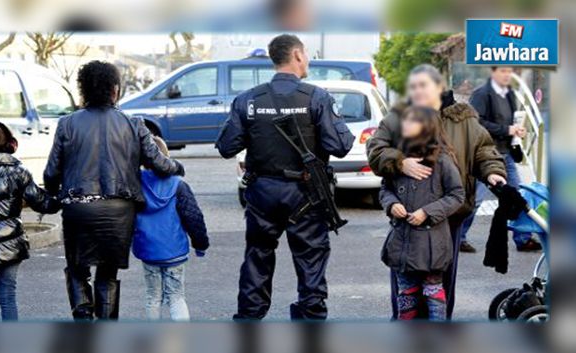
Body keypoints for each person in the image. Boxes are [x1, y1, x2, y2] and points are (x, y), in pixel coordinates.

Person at [216, 34, 355, 320]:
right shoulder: (316, 97)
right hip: (306, 194)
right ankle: (311, 320)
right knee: (311, 261)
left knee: (257, 257)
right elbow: (341, 146)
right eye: (306, 55)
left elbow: (226, 146)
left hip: (262, 192)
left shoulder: (249, 99)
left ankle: (249, 320)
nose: (308, 61)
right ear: (297, 55)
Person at [43, 60, 185, 321]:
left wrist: (52, 193)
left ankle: (84, 320)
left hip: (78, 207)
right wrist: (177, 166)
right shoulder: (134, 124)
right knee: (108, 273)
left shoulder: (67, 124)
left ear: (83, 90)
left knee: (77, 269)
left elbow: (51, 173)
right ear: (115, 90)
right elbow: (159, 163)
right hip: (119, 211)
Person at [367, 64, 507, 320]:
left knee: (439, 289)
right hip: (405, 221)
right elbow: (375, 150)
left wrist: (493, 172)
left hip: (447, 218)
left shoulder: (464, 119)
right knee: (405, 288)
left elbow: (484, 151)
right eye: (415, 86)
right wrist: (400, 161)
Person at [379, 107, 465, 321]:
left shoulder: (443, 161)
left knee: (434, 294)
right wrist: (391, 205)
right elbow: (385, 189)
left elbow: (457, 195)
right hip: (402, 242)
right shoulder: (398, 159)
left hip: (432, 244)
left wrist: (427, 212)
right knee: (405, 293)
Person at [0, 121, 60, 321]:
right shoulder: (18, 170)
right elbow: (41, 203)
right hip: (12, 243)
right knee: (8, 296)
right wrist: (60, 199)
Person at [460, 67, 541, 253]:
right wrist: (506, 130)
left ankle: (523, 238)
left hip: (505, 155)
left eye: (510, 71)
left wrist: (516, 131)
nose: (508, 75)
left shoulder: (509, 95)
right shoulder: (481, 94)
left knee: (518, 197)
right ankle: (458, 237)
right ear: (493, 72)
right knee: (475, 201)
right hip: (484, 157)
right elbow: (476, 123)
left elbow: (510, 123)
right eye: (503, 71)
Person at [132, 136, 210, 321]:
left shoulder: (136, 184)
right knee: (176, 297)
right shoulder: (178, 185)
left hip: (148, 250)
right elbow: (193, 217)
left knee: (153, 297)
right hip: (174, 251)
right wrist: (200, 244)